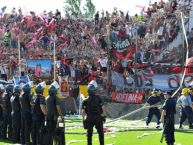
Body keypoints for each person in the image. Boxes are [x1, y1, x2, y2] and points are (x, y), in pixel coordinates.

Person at [82, 80, 106, 145]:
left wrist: (84, 120)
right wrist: (103, 116)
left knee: (89, 134)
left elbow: (83, 112)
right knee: (101, 133)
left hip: (90, 118)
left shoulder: (85, 100)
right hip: (98, 117)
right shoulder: (99, 98)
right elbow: (103, 109)